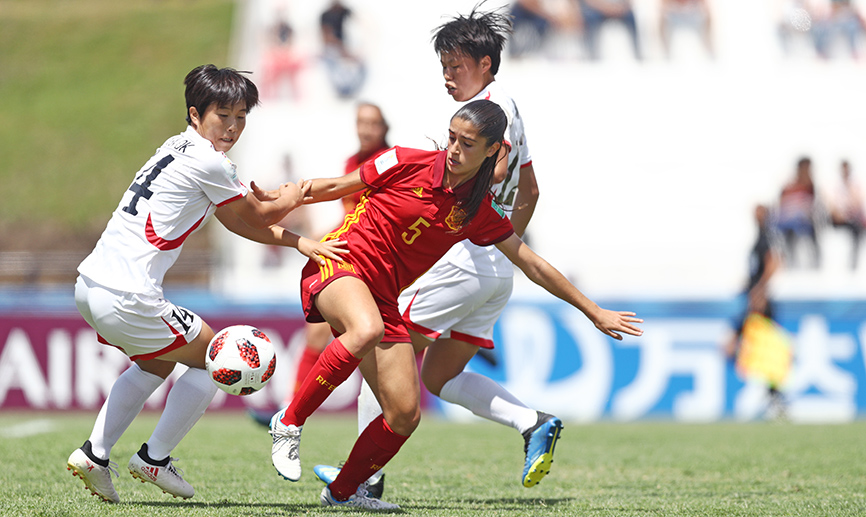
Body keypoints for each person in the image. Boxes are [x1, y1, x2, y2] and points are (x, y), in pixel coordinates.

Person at [267, 99, 644, 510]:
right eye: (451, 138)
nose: (453, 149)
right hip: (341, 263)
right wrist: (289, 197)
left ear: (492, 150)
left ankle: (344, 493)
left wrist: (594, 311)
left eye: (467, 143)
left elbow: (531, 264)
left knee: (404, 415)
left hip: (382, 298)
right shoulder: (405, 160)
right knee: (366, 329)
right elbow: (339, 186)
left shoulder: (479, 211)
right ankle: (288, 422)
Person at [65, 64, 346, 504]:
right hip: (129, 294)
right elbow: (260, 213)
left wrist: (298, 242)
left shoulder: (176, 147)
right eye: (223, 116)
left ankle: (95, 455)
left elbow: (235, 221)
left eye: (241, 117)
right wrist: (296, 193)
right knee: (218, 357)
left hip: (91, 285)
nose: (233, 127)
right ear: (195, 114)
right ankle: (154, 459)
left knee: (155, 364)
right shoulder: (209, 160)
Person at [314, 6, 556, 499]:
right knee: (442, 376)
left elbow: (503, 167)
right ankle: (533, 422)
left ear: (486, 63)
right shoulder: (505, 106)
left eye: (456, 65)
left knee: (376, 352)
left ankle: (364, 481)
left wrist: (468, 221)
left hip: (462, 262)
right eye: (443, 66)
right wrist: (505, 243)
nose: (447, 76)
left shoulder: (490, 116)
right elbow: (531, 189)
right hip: (493, 270)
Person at [248, 101, 391, 426]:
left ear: (384, 128)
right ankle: (288, 410)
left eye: (372, 123)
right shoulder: (353, 162)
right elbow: (351, 217)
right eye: (360, 122)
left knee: (383, 344)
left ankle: (293, 412)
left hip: (380, 262)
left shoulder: (388, 163)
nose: (365, 129)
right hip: (350, 256)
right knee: (317, 334)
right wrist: (321, 238)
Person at [726, 205, 791, 420]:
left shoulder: (767, 237)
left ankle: (775, 398)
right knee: (758, 350)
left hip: (759, 302)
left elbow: (773, 261)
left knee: (762, 349)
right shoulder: (760, 237)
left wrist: (760, 289)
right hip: (754, 297)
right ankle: (773, 397)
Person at [776, 156, 821, 268]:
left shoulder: (811, 187)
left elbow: (813, 206)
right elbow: (782, 206)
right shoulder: (789, 186)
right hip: (789, 222)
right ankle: (790, 264)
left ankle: (815, 264)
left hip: (806, 221)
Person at [829, 160, 865, 270]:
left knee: (858, 230)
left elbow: (857, 203)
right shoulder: (834, 186)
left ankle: (853, 264)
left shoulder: (854, 186)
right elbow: (832, 206)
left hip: (852, 218)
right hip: (838, 220)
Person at [578, 0, 642, 60]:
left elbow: (629, 2)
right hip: (598, 9)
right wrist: (607, 9)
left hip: (619, 9)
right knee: (590, 18)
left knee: (630, 16)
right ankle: (591, 55)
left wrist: (619, 9)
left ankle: (638, 53)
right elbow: (590, 2)